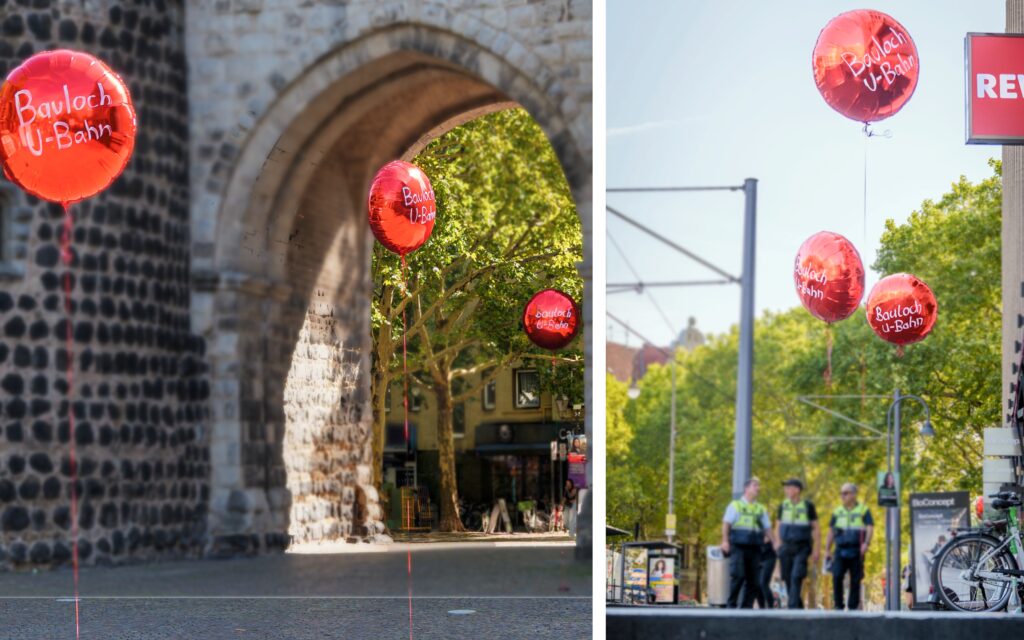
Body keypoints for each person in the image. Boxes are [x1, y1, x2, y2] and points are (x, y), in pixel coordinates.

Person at [722, 477, 776, 608]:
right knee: (738, 576)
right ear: (746, 488)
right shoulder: (735, 505)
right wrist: (724, 541)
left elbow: (767, 528)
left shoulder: (760, 508)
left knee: (754, 582)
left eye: (758, 486)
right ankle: (731, 605)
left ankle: (746, 608)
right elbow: (726, 524)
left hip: (755, 548)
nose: (758, 488)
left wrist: (775, 543)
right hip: (738, 546)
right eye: (755, 485)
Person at [826, 483, 874, 610]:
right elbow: (831, 531)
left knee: (855, 579)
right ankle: (838, 605)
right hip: (840, 549)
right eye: (841, 493)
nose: (842, 496)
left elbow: (870, 527)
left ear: (853, 494)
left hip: (856, 550)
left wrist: (866, 543)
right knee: (836, 576)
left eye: (845, 493)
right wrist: (827, 550)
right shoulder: (837, 511)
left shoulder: (863, 509)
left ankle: (852, 607)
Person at [774, 478, 819, 609]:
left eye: (788, 487)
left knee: (796, 576)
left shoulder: (808, 506)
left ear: (797, 490)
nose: (785, 490)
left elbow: (816, 528)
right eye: (785, 487)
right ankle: (798, 607)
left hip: (802, 547)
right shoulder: (783, 506)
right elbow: (777, 526)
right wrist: (777, 544)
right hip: (786, 547)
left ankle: (792, 607)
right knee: (787, 578)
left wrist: (816, 549)